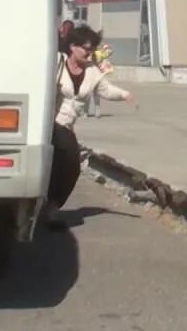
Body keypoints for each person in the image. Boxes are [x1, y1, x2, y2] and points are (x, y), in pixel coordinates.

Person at [49, 25, 134, 229]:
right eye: (86, 48)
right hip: (51, 124)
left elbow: (106, 90)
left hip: (67, 126)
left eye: (92, 48)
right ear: (72, 46)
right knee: (70, 164)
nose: (89, 52)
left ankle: (50, 207)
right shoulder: (57, 64)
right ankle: (48, 210)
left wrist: (125, 95)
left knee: (66, 169)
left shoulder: (92, 72)